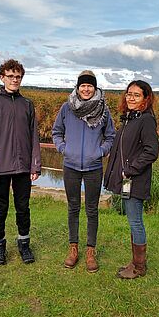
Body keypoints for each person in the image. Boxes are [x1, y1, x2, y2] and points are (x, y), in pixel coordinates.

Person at [52, 70, 115, 272]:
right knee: (72, 208)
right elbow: (56, 132)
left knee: (92, 210)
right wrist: (63, 148)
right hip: (70, 166)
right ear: (77, 87)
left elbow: (110, 136)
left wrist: (100, 151)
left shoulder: (103, 109)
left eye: (90, 86)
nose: (86, 89)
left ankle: (90, 252)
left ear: (95, 87)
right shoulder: (67, 108)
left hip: (93, 167)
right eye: (83, 85)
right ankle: (73, 249)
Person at [0, 59, 41, 265]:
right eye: (11, 76)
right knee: (0, 209)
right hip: (0, 168)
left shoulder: (27, 105)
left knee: (23, 208)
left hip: (24, 167)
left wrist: (35, 165)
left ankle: (24, 244)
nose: (15, 80)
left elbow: (34, 138)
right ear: (2, 77)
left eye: (18, 76)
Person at [104, 80, 159, 279]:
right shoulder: (130, 119)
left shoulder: (146, 120)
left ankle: (139, 267)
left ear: (146, 98)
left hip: (135, 180)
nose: (131, 98)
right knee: (132, 220)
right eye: (129, 94)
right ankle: (134, 262)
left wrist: (130, 169)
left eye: (136, 95)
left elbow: (151, 151)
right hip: (128, 179)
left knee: (135, 222)